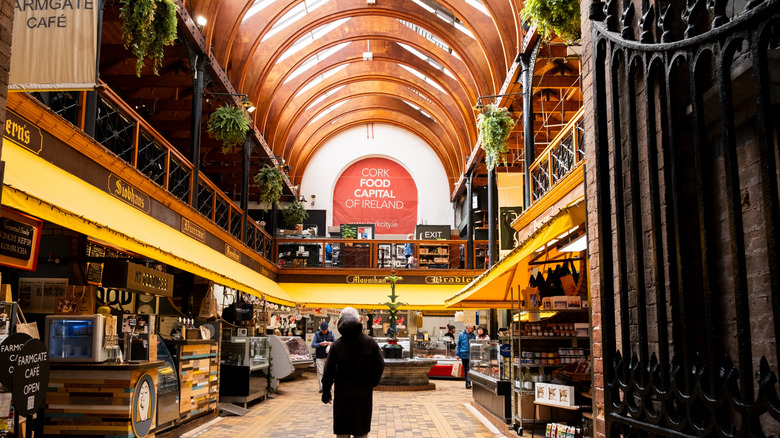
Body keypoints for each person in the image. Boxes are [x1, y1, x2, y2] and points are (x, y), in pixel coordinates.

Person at [321, 307, 385, 438]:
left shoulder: (337, 345)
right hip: (363, 393)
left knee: (342, 431)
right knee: (361, 430)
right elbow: (380, 364)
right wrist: (373, 382)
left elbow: (328, 372)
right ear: (358, 321)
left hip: (342, 394)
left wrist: (326, 392)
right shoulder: (370, 342)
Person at [312, 321, 335, 393]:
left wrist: (330, 343)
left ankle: (329, 387)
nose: (323, 331)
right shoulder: (317, 334)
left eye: (325, 330)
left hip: (329, 356)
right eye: (322, 330)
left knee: (329, 372)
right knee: (320, 372)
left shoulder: (331, 333)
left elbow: (336, 343)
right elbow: (313, 345)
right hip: (319, 356)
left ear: (327, 329)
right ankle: (321, 387)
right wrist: (320, 344)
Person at [456, 323, 476, 389]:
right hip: (463, 354)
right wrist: (457, 354)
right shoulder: (461, 335)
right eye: (471, 328)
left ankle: (468, 383)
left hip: (471, 354)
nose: (473, 329)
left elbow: (475, 344)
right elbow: (458, 344)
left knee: (468, 369)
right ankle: (467, 382)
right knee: (466, 369)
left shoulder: (473, 335)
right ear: (467, 328)